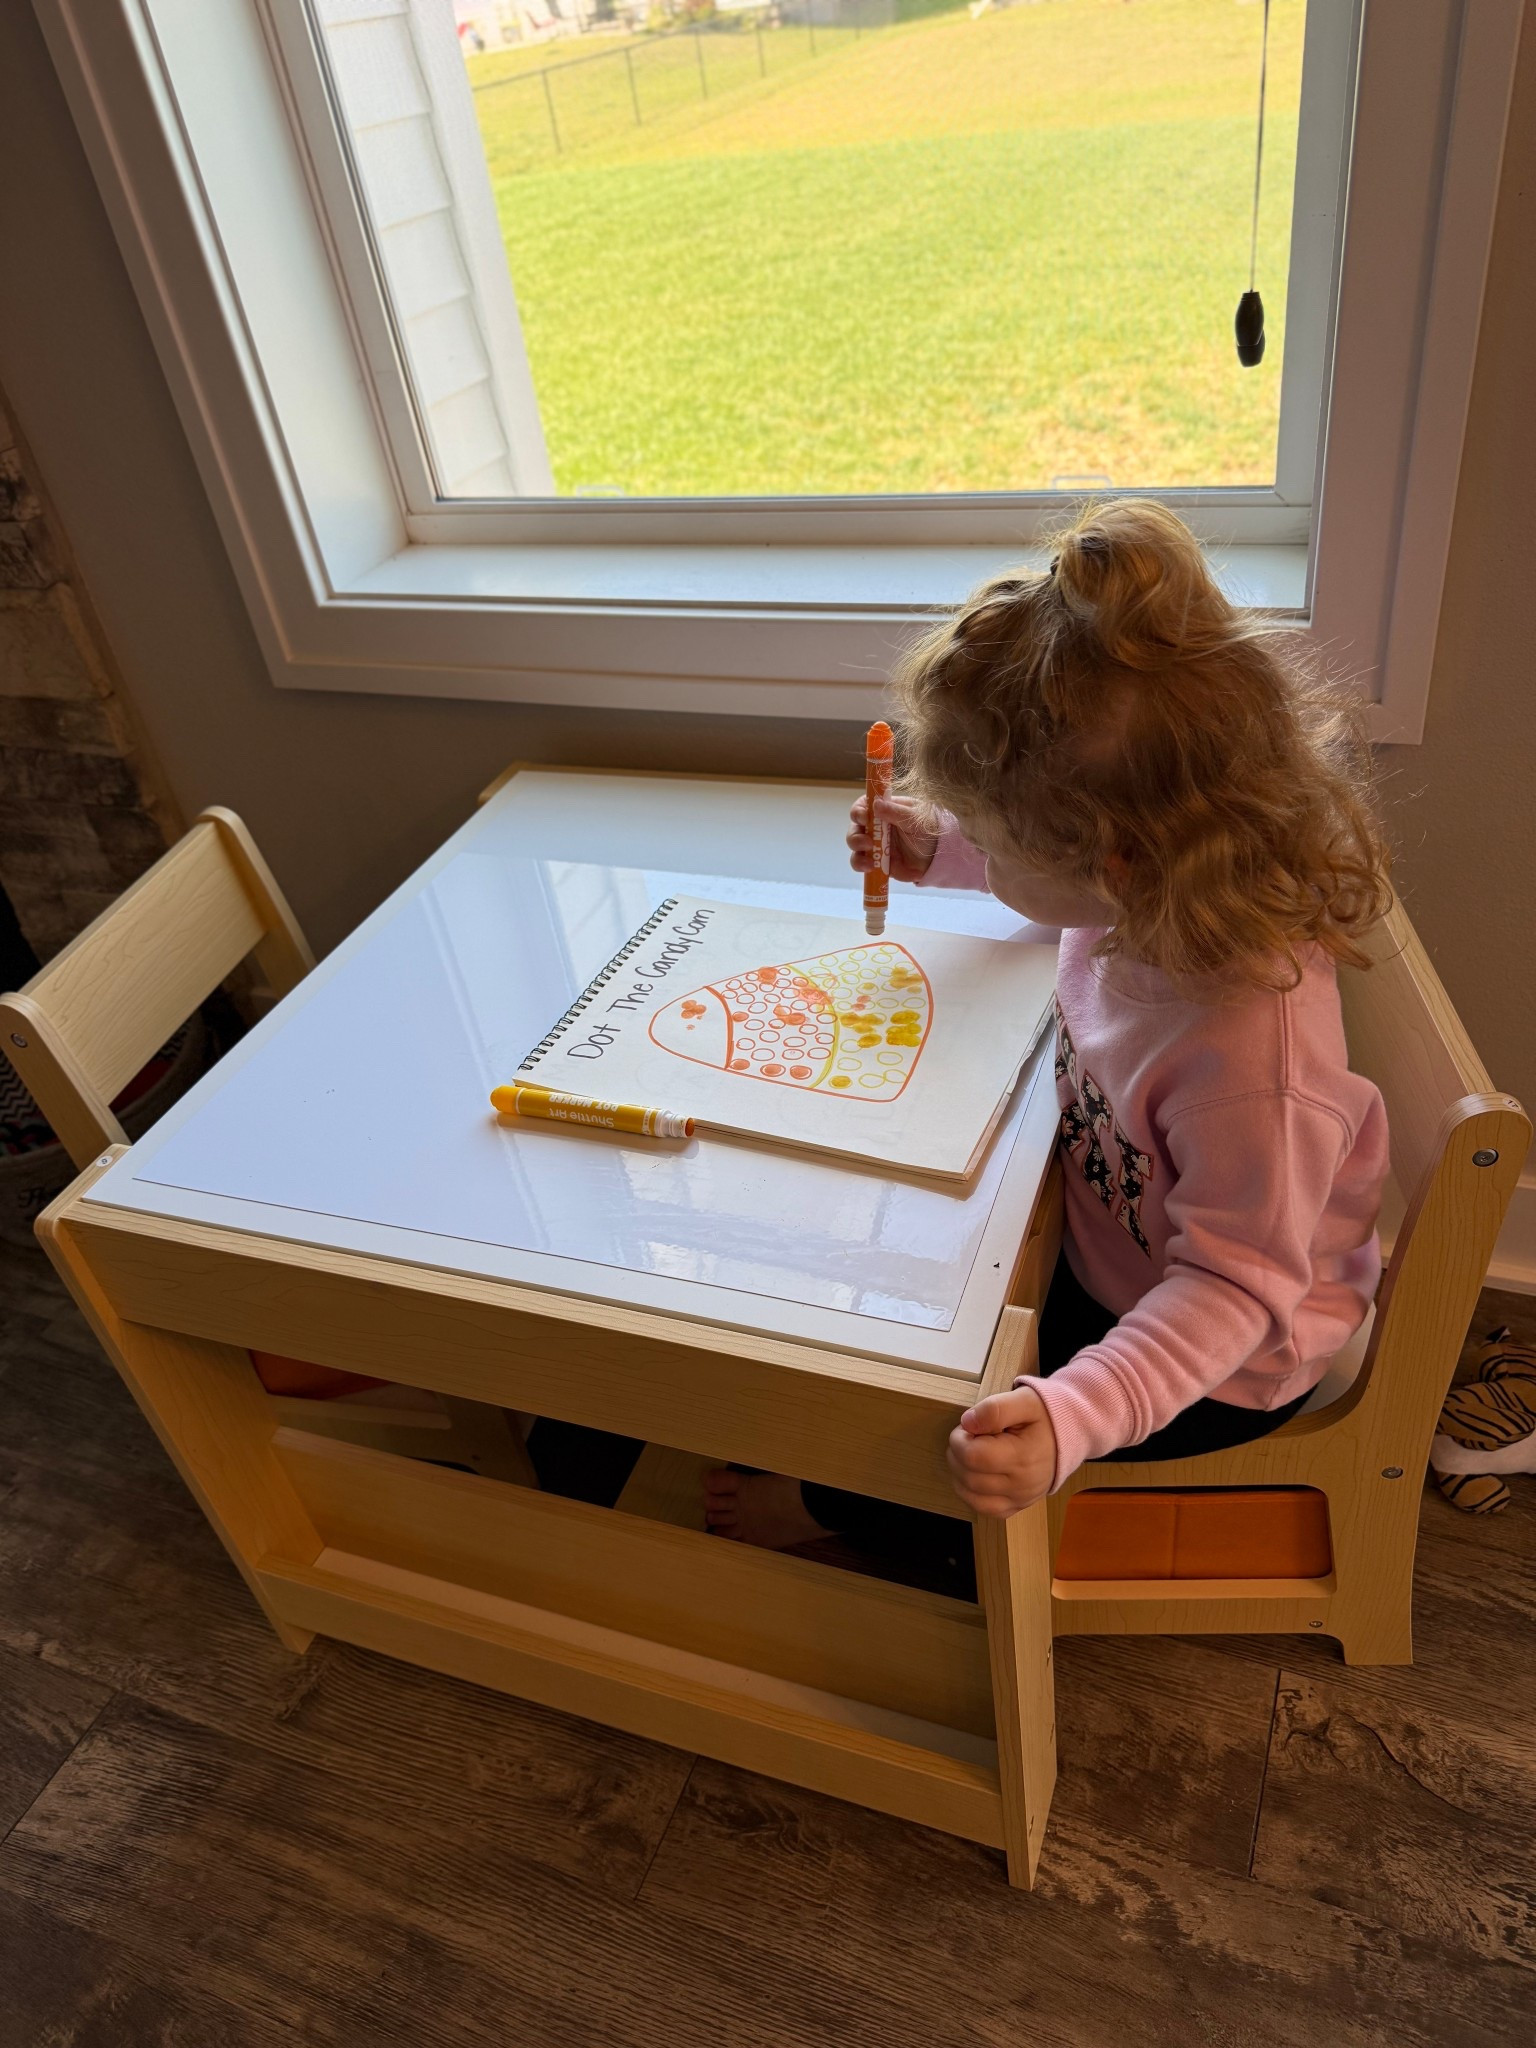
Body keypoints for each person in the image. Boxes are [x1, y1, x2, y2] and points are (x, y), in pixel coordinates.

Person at [704, 499, 1392, 1590]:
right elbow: (1053, 880)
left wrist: (1072, 1415)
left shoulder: (1252, 1070)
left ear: (1113, 862)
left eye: (990, 834)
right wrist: (940, 852)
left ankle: (833, 1509)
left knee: (954, 1473)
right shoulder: (1159, 884)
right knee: (914, 1333)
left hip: (1221, 1361)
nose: (974, 843)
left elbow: (1232, 1290)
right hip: (1105, 1251)